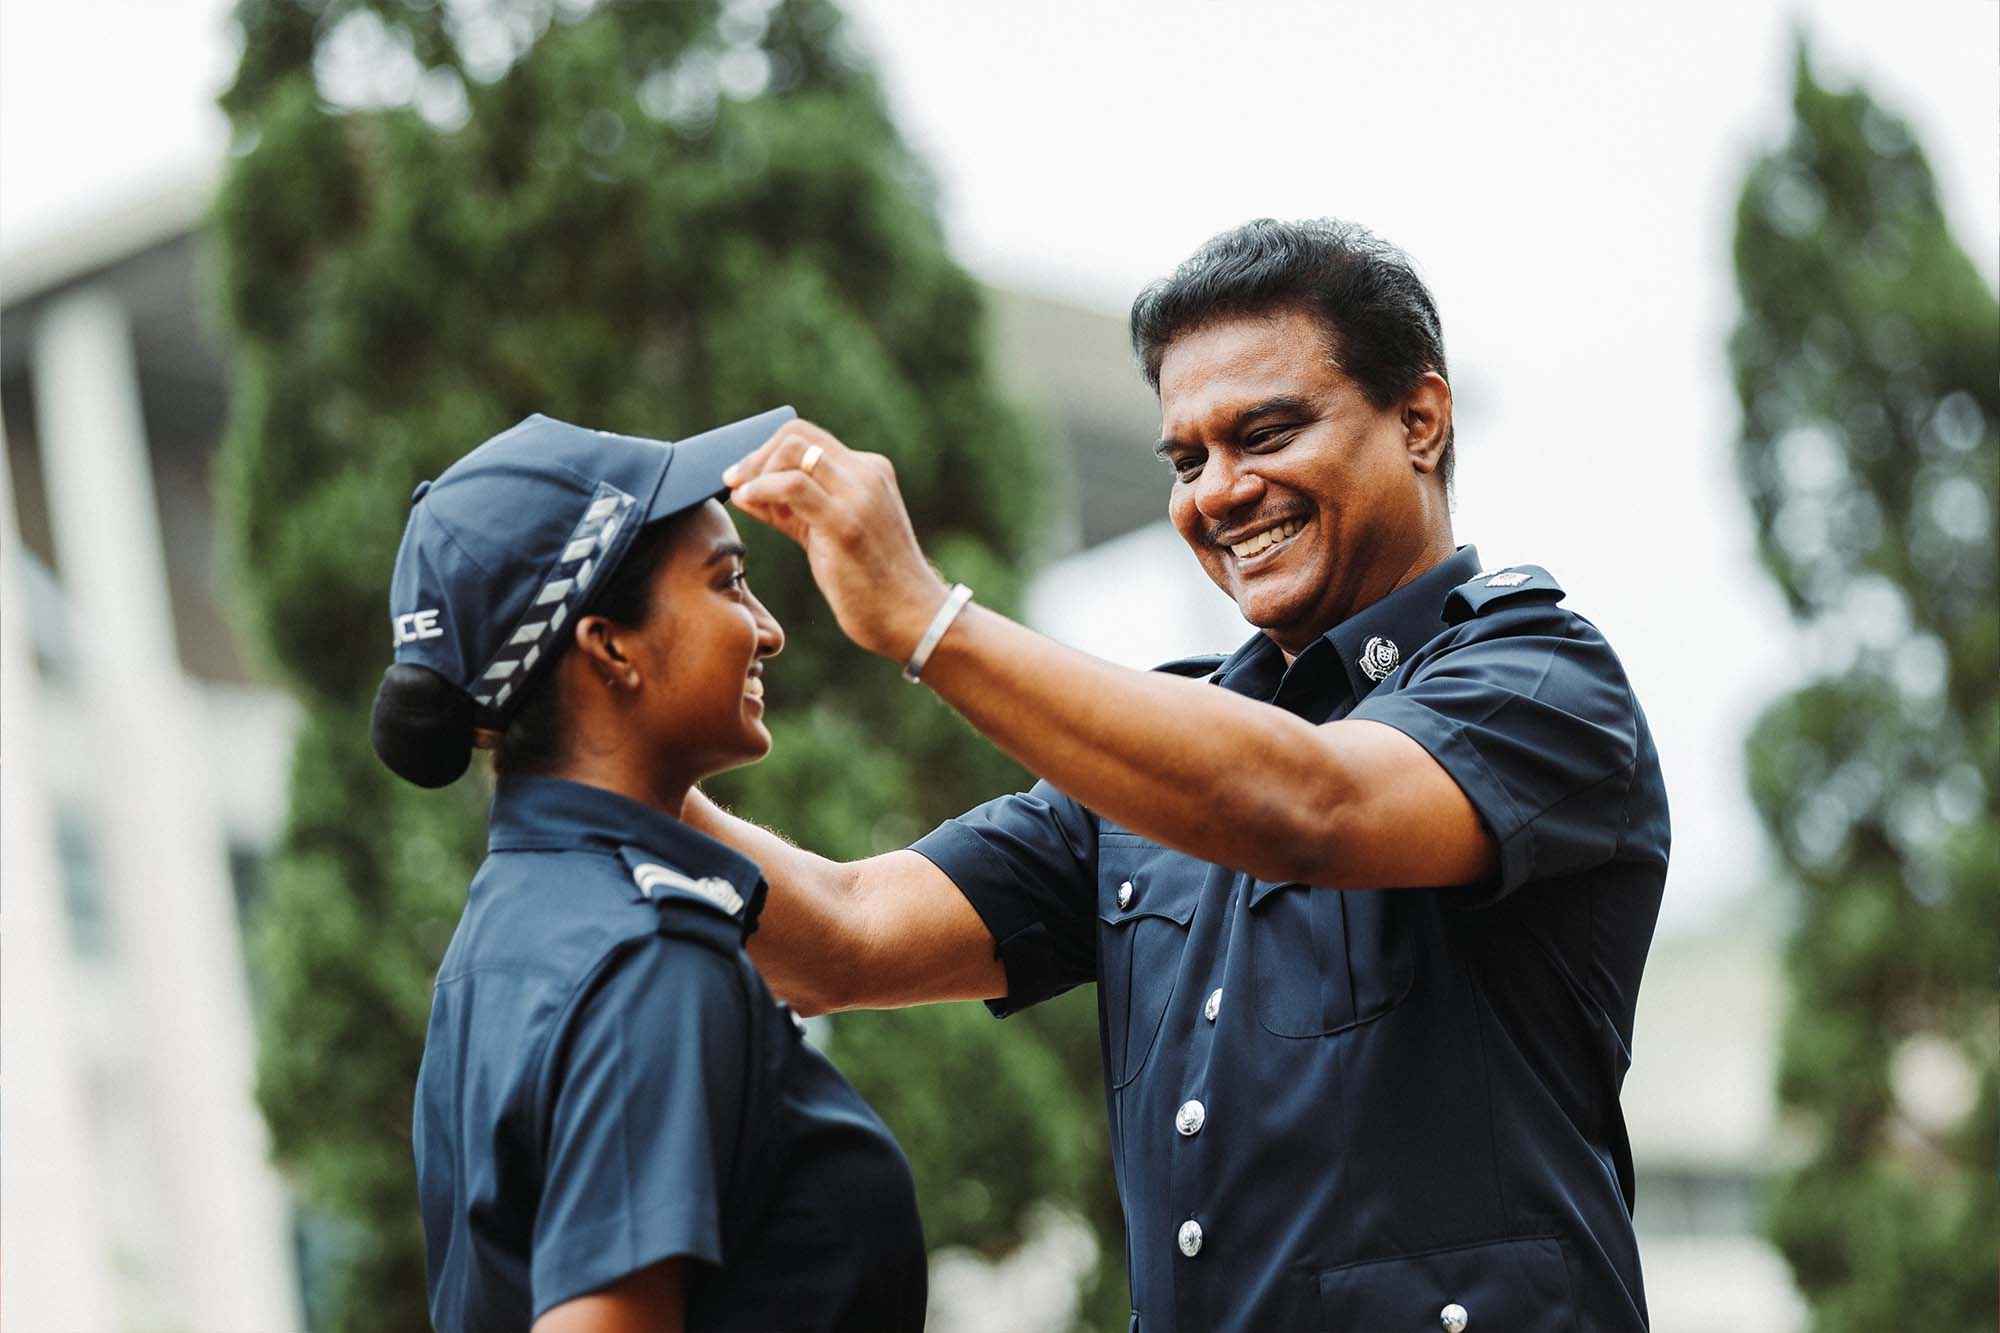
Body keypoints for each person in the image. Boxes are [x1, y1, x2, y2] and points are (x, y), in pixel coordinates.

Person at [700, 219, 1669, 1331]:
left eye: (1265, 433)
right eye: (1186, 459)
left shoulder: (1541, 679)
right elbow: (838, 934)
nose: (1220, 491)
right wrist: (588, 753)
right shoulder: (1152, 763)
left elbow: (1309, 804)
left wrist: (928, 620)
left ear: (1419, 419)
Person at [369, 409, 926, 1333]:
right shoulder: (649, 961)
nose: (769, 629)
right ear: (609, 646)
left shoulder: (509, 929)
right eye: (729, 581)